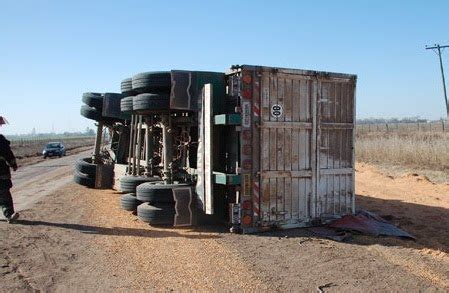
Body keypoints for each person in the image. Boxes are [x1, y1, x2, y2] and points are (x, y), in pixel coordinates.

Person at [0, 116, 19, 223]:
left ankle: (8, 214)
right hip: (1, 173)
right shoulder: (1, 141)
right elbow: (9, 155)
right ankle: (9, 214)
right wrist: (14, 165)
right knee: (4, 194)